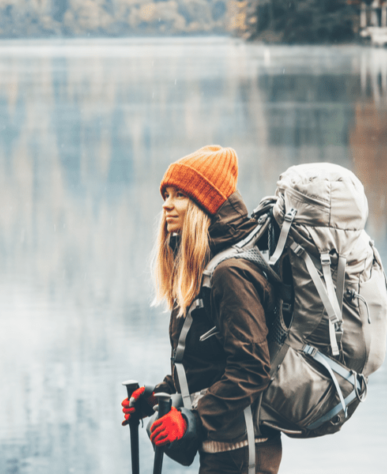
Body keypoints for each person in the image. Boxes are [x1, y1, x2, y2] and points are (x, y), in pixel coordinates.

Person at [121, 145, 282, 474]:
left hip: (244, 454)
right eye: (165, 194)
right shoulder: (205, 269)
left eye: (179, 194)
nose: (166, 204)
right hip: (222, 450)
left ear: (203, 203)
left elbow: (251, 370)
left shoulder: (230, 273)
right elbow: (207, 364)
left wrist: (191, 417)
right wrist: (158, 396)